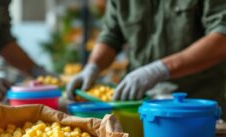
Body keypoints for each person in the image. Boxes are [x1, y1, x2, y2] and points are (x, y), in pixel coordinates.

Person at [67, 0, 226, 119]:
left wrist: (160, 69)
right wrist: (93, 66)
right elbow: (111, 35)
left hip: (195, 108)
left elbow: (221, 38)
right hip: (135, 105)